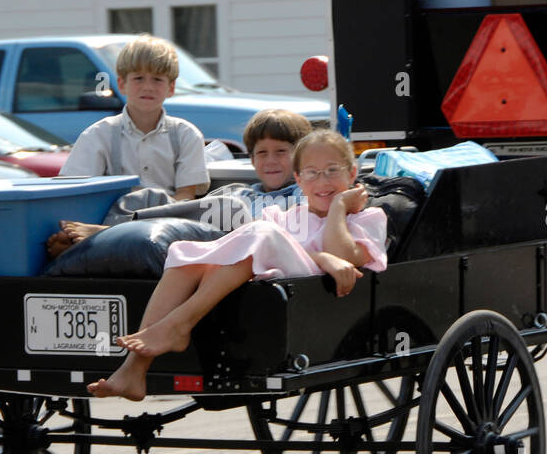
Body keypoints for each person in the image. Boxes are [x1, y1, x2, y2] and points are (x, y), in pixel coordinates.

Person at [87, 129, 385, 401]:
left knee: (261, 234)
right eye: (312, 172)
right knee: (183, 252)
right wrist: (321, 258)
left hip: (311, 300)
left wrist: (338, 208)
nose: (323, 181)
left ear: (352, 174)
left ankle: (179, 325)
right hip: (267, 289)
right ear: (298, 179)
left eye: (333, 171)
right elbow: (278, 254)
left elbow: (345, 257)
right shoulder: (284, 216)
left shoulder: (368, 218)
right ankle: (134, 369)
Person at [47, 108, 312, 256]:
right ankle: (106, 235)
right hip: (204, 242)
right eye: (262, 153)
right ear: (252, 160)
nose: (270, 161)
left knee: (225, 209)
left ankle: (104, 236)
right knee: (154, 198)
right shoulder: (239, 192)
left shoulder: (304, 194)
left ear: (301, 156)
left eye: (281, 152)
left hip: (235, 250)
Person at [51, 34, 208, 250]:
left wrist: (144, 219)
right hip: (112, 219)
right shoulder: (98, 134)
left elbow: (185, 198)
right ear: (122, 84)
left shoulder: (186, 135)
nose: (148, 87)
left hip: (166, 225)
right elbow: (77, 193)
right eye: (139, 78)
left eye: (157, 79)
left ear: (171, 88)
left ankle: (97, 239)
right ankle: (94, 240)